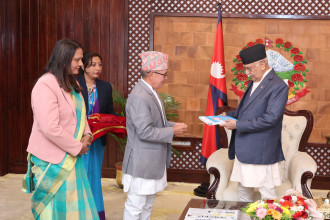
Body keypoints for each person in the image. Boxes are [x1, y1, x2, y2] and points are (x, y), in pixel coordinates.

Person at [22, 39, 99, 219]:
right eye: (77, 60)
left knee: (75, 210)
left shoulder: (73, 85)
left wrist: (87, 135)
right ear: (64, 59)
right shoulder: (45, 84)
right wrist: (77, 146)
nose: (81, 64)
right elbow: (50, 127)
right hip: (51, 160)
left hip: (72, 158)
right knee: (53, 212)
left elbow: (79, 116)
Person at [122, 51, 188, 220]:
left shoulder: (151, 91)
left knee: (147, 206)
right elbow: (144, 131)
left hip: (150, 162)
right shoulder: (139, 96)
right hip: (142, 163)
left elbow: (156, 124)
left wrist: (174, 126)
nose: (165, 78)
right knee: (135, 207)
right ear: (151, 74)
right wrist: (172, 131)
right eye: (164, 75)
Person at [220, 44, 289, 202]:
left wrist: (237, 125)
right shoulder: (255, 81)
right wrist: (227, 115)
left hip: (261, 151)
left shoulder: (278, 86)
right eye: (245, 69)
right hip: (244, 149)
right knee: (243, 192)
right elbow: (245, 111)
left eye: (249, 68)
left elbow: (270, 118)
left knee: (268, 196)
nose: (247, 73)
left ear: (262, 64)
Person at [77, 52, 115, 220]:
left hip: (98, 141)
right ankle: (78, 213)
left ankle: (96, 214)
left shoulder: (106, 87)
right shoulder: (74, 84)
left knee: (94, 175)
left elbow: (110, 113)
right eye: (93, 65)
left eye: (100, 65)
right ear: (84, 66)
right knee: (80, 174)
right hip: (79, 140)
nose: (97, 68)